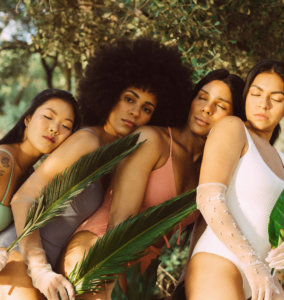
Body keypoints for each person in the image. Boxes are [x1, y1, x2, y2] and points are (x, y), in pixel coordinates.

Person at [0, 37, 193, 300]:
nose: (135, 112)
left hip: (54, 274)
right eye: (129, 98)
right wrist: (39, 269)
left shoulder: (123, 159)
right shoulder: (87, 140)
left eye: (146, 108)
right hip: (12, 256)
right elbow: (24, 198)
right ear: (109, 93)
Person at [58, 69, 245, 299]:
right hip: (102, 246)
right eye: (202, 98)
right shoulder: (152, 139)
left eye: (222, 105)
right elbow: (120, 221)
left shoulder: (212, 172)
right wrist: (120, 286)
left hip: (145, 268)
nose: (207, 108)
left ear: (234, 119)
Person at [185, 60, 284, 300]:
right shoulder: (233, 127)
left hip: (262, 279)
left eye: (277, 98)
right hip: (219, 262)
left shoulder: (281, 158)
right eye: (256, 93)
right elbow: (209, 199)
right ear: (246, 96)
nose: (264, 104)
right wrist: (253, 265)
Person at [0, 89, 80, 277]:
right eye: (48, 117)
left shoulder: (30, 176)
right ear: (27, 119)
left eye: (66, 126)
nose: (55, 129)